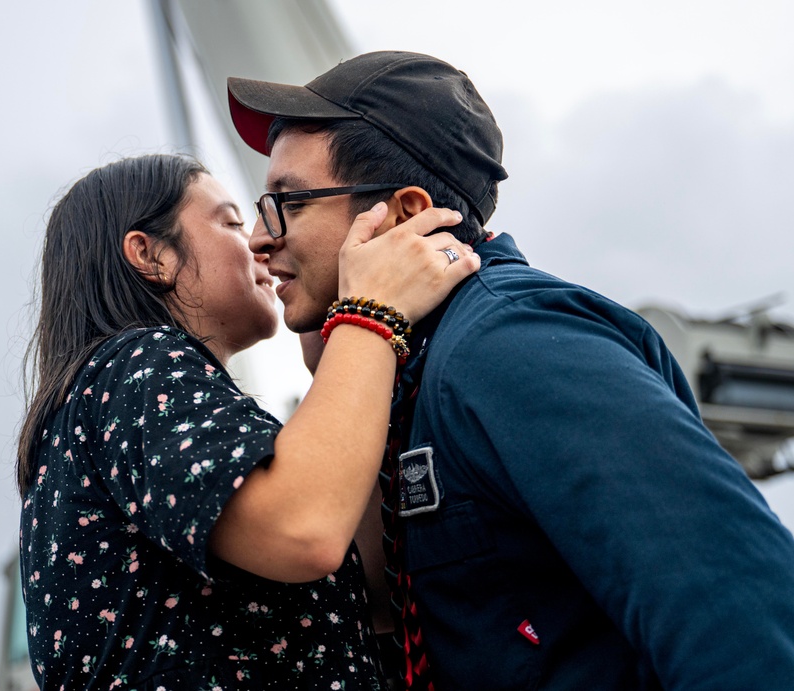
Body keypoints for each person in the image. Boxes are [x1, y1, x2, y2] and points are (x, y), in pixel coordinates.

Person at [227, 51, 794, 690]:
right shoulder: (410, 371)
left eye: (288, 204)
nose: (256, 238)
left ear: (406, 215)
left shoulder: (508, 345)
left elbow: (735, 605)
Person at [16, 153, 479, 690]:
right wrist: (369, 315)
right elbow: (305, 528)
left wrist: (340, 363)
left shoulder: (119, 402)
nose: (259, 241)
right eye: (233, 222)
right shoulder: (134, 369)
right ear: (152, 255)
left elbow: (375, 600)